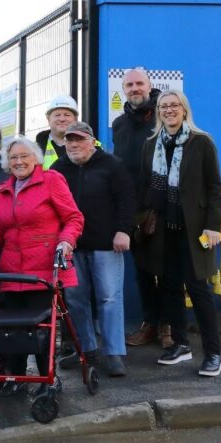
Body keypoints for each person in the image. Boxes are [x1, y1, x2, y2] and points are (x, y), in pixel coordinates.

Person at [0, 136, 84, 397]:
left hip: (43, 269)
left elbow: (73, 217)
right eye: (13, 158)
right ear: (7, 163)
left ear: (36, 159)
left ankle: (48, 378)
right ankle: (16, 376)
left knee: (41, 329)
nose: (19, 161)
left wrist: (66, 242)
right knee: (12, 329)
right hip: (11, 271)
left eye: (24, 156)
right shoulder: (3, 189)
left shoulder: (52, 181)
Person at [135, 90, 221, 376]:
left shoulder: (202, 142)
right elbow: (145, 186)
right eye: (164, 106)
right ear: (159, 112)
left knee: (199, 291)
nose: (169, 110)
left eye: (174, 105)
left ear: (184, 110)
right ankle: (181, 345)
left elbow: (214, 188)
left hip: (195, 231)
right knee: (169, 288)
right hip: (164, 230)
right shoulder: (151, 145)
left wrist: (213, 226)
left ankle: (213, 353)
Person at [52, 122, 135, 377]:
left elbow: (128, 199)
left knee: (109, 298)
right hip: (71, 246)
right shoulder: (57, 169)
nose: (74, 145)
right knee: (76, 300)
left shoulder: (112, 165)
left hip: (106, 244)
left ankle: (113, 353)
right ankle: (85, 350)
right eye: (69, 140)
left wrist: (124, 230)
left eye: (79, 139)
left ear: (92, 141)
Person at [113, 68, 168, 348]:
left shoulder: (164, 116)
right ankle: (150, 324)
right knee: (143, 270)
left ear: (150, 85)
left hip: (163, 206)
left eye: (139, 83)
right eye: (129, 85)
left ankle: (169, 326)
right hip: (133, 209)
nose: (135, 88)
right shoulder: (119, 125)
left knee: (168, 269)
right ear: (123, 89)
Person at [35, 95, 80, 169]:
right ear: (48, 119)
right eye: (57, 115)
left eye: (67, 115)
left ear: (75, 119)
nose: (62, 119)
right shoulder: (35, 148)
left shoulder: (92, 145)